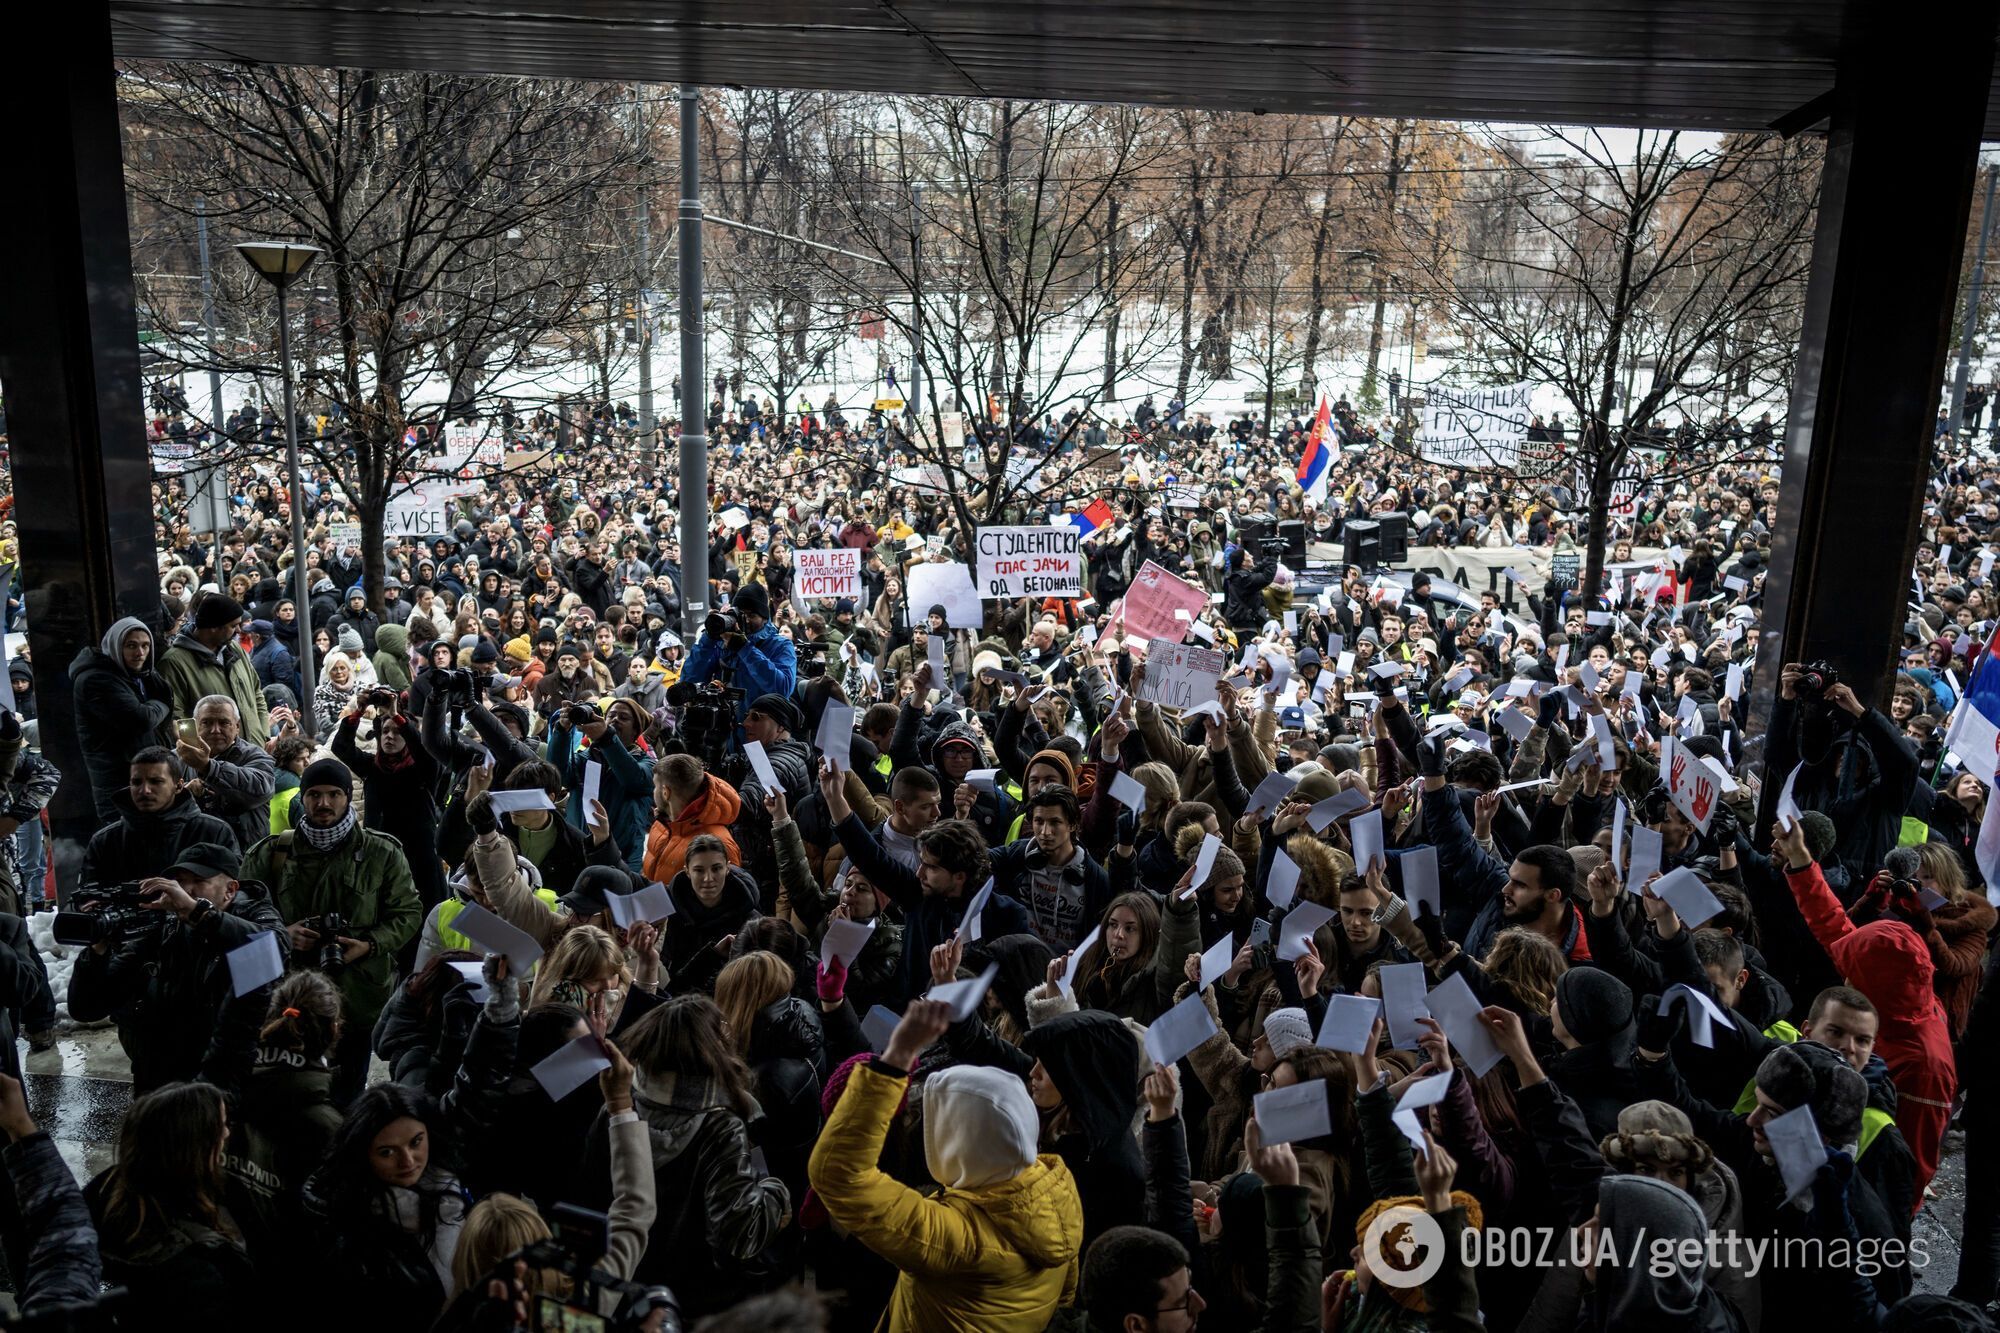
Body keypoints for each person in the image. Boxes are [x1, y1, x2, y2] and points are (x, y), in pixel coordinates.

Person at [575, 994, 791, 1320]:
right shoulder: (721, 1126)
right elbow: (741, 1234)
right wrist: (777, 1194)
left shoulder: (617, 1108)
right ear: (713, 1052)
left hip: (625, 1283)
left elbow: (589, 1193)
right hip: (695, 1299)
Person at [242, 757, 421, 1105]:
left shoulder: (381, 853)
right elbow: (243, 914)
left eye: (334, 794)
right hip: (286, 995)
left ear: (347, 797)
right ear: (302, 799)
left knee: (348, 1091)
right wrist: (281, 934)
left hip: (358, 997)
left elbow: (407, 912)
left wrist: (369, 944)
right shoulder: (271, 853)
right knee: (285, 1091)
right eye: (314, 794)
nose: (324, 803)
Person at [67, 841, 287, 1095]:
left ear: (230, 890)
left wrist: (199, 914)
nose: (187, 890)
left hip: (225, 1079)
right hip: (161, 1079)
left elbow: (272, 951)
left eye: (198, 881)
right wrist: (98, 951)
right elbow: (87, 1008)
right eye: (181, 881)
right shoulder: (164, 928)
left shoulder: (255, 914)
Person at [86, 1082, 262, 1333]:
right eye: (220, 1126)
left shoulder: (114, 1189)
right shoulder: (198, 1273)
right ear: (193, 1147)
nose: (226, 1134)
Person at [81, 748, 241, 889]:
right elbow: (86, 896)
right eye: (136, 782)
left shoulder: (214, 832)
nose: (145, 790)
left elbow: (235, 892)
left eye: (155, 781)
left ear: (178, 786)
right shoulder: (105, 841)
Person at [69, 615, 176, 821]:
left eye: (145, 646)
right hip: (118, 782)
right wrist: (161, 703)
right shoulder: (96, 679)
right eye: (131, 646)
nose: (140, 653)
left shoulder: (140, 674)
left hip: (144, 776)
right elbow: (141, 719)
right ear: (116, 646)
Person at [157, 593, 269, 746]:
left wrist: (264, 735)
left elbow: (256, 693)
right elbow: (178, 718)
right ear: (214, 627)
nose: (238, 630)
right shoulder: (174, 662)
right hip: (214, 763)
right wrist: (199, 754)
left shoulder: (235, 649)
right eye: (233, 625)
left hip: (254, 754)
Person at [681, 581, 798, 722]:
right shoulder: (721, 643)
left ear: (764, 618)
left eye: (751, 615)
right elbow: (690, 681)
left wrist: (745, 648)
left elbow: (782, 689)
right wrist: (709, 638)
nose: (745, 621)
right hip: (723, 731)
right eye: (741, 615)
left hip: (760, 729)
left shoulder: (780, 645)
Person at [177, 695, 278, 854]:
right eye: (207, 722)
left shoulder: (256, 756)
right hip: (191, 857)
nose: (215, 730)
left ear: (237, 726)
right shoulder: (177, 759)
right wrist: (184, 794)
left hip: (244, 858)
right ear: (196, 726)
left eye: (224, 723)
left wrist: (208, 767)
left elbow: (260, 788)